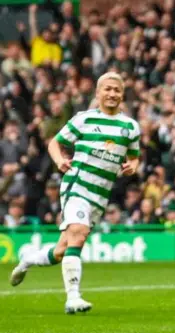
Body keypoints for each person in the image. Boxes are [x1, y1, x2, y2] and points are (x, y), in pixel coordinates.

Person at [9, 72, 141, 315]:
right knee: (78, 235)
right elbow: (54, 143)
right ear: (98, 93)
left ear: (122, 95)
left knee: (61, 251)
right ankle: (73, 298)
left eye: (117, 90)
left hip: (100, 196)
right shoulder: (84, 120)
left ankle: (27, 259)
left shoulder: (130, 127)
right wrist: (59, 160)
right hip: (76, 185)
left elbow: (134, 156)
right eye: (107, 89)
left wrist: (133, 165)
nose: (112, 94)